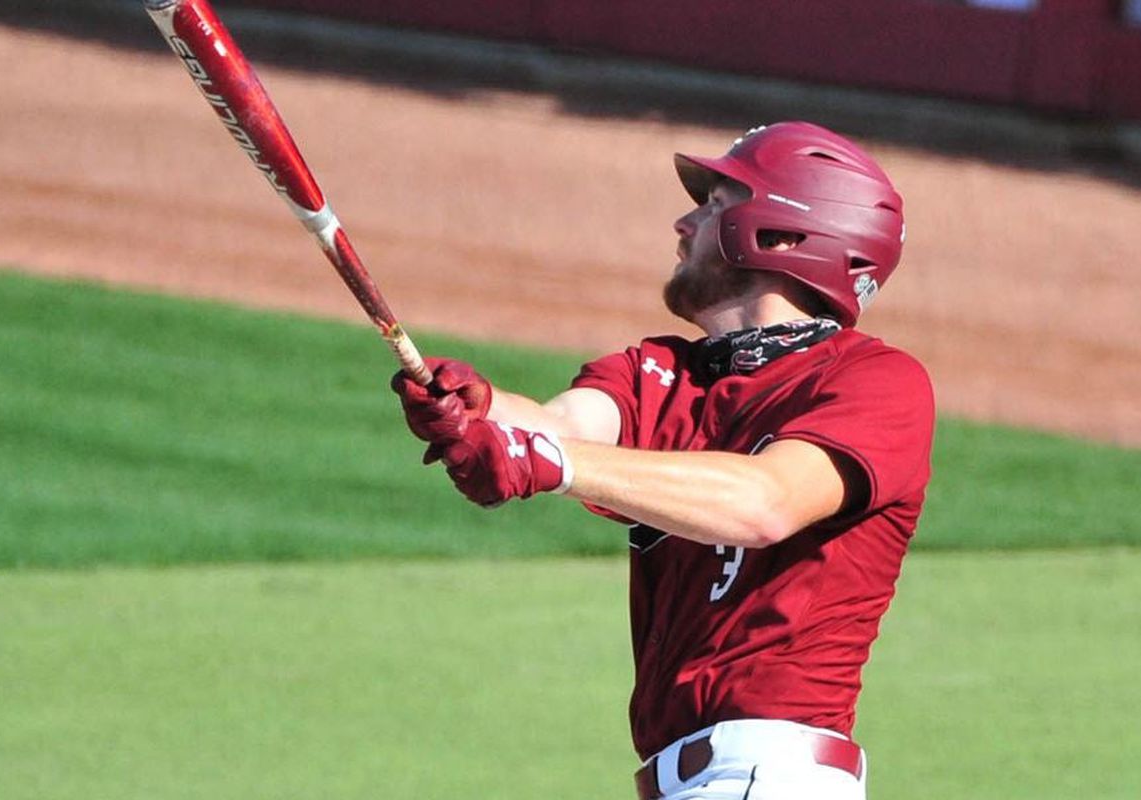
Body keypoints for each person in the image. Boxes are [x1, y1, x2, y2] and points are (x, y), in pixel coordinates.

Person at [392, 122, 935, 800]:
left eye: (713, 204)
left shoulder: (875, 382)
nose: (683, 222)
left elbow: (764, 502)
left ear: (783, 234)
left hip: (773, 777)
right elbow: (564, 428)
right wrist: (474, 408)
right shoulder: (660, 372)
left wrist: (545, 460)